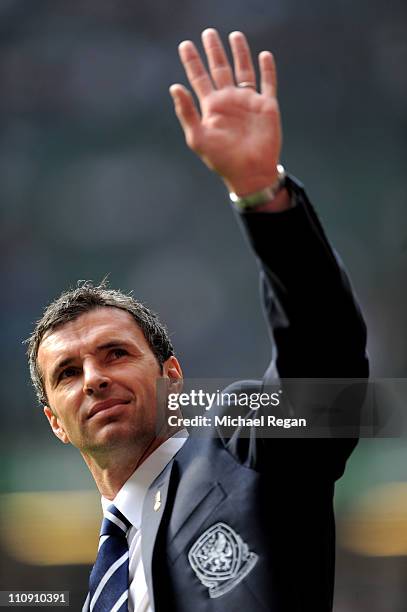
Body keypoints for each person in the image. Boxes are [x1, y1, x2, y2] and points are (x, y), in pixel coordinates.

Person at [26, 29, 368, 612]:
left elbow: (322, 359)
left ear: (173, 376)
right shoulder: (100, 595)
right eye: (67, 373)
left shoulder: (240, 443)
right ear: (56, 422)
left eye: (116, 353)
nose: (94, 379)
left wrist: (260, 192)